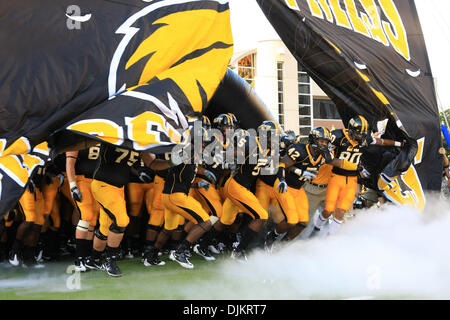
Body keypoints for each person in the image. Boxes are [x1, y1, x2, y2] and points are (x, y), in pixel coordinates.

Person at [312, 115, 402, 236]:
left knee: (342, 210)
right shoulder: (338, 136)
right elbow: (327, 155)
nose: (362, 137)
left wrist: (399, 144)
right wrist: (353, 166)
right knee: (328, 210)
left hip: (352, 179)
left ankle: (330, 237)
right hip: (337, 177)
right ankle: (316, 229)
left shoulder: (364, 139)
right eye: (359, 134)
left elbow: (381, 142)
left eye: (363, 134)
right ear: (351, 131)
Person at [265, 127, 333, 250]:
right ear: (313, 139)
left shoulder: (324, 156)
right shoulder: (300, 150)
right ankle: (271, 238)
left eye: (326, 142)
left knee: (303, 223)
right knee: (292, 220)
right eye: (321, 141)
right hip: (285, 185)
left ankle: (281, 246)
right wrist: (297, 172)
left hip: (299, 188)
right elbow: (281, 163)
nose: (324, 144)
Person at [66, 144, 101, 272]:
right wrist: (72, 185)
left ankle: (86, 257)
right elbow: (69, 162)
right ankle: (79, 259)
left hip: (97, 181)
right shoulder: (78, 138)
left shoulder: (101, 137)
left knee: (93, 220)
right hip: (81, 180)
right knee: (86, 216)